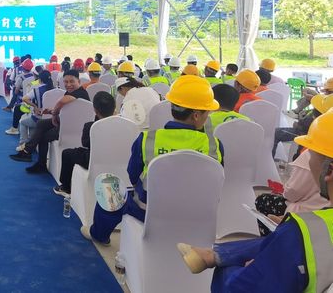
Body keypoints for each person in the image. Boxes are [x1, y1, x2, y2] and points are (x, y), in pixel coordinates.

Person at [177, 111, 333, 293]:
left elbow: (237, 289)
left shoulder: (302, 233)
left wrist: (249, 268)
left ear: (328, 170)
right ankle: (213, 254)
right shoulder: (308, 228)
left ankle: (216, 257)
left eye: (311, 154)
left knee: (233, 268)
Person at [83, 75, 224, 245]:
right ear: (196, 115)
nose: (208, 115)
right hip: (196, 213)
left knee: (110, 191)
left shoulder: (147, 139)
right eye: (207, 111)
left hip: (150, 211)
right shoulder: (215, 145)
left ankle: (99, 235)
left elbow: (132, 175)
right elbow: (216, 180)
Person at [10, 69, 90, 172]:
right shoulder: (72, 92)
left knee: (43, 136)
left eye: (71, 81)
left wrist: (54, 114)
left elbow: (62, 101)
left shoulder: (81, 93)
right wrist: (52, 112)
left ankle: (39, 163)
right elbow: (67, 110)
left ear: (78, 81)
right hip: (65, 121)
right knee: (41, 123)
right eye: (66, 82)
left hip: (72, 127)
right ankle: (27, 151)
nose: (68, 84)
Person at [254, 147, 329, 236]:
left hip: (304, 213)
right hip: (321, 215)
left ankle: (271, 237)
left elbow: (292, 193)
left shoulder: (311, 156)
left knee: (262, 200)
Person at [53, 91, 116, 196]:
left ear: (95, 109)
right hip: (115, 158)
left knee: (67, 153)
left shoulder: (90, 126)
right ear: (114, 108)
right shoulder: (122, 125)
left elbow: (85, 144)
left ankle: (65, 187)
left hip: (93, 159)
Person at [16, 70, 55, 149]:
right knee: (31, 121)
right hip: (53, 120)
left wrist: (35, 106)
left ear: (39, 79)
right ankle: (31, 142)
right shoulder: (55, 89)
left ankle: (23, 144)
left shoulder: (37, 89)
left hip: (40, 118)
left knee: (22, 122)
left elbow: (24, 98)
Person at [5, 59, 36, 135]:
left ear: (23, 67)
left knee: (17, 108)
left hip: (24, 103)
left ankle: (14, 128)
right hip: (34, 103)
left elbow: (16, 91)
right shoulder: (35, 77)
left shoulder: (20, 77)